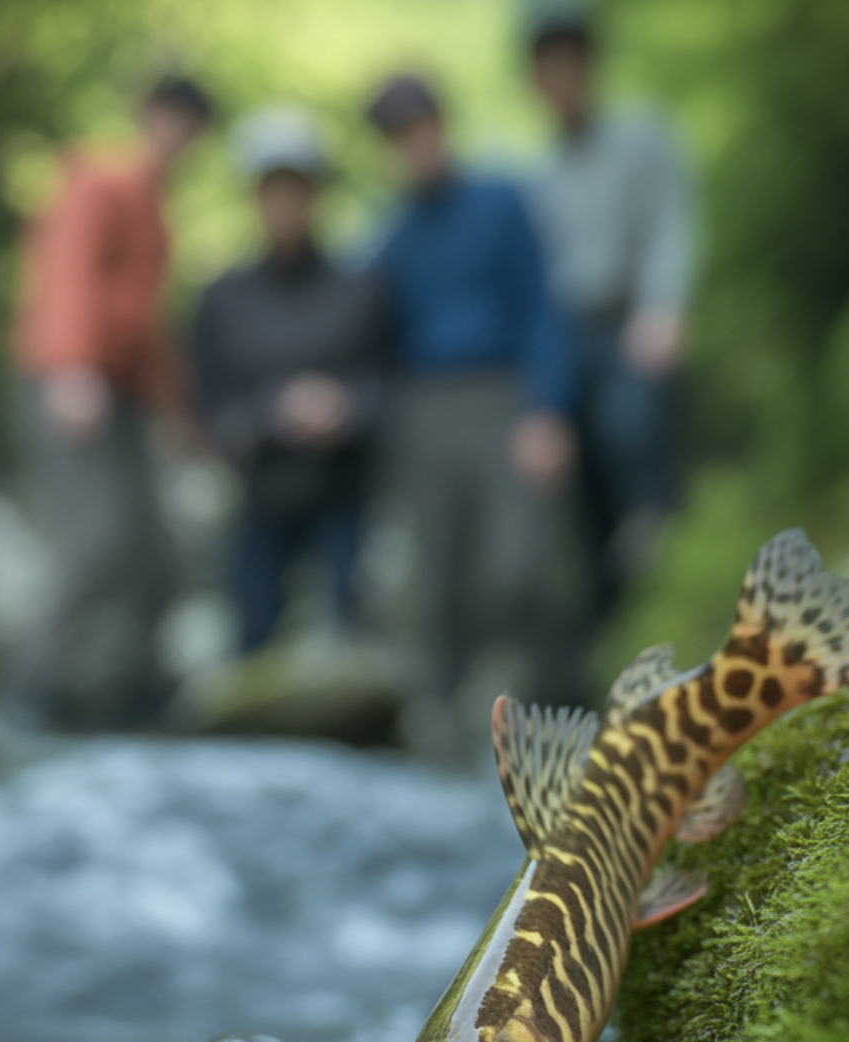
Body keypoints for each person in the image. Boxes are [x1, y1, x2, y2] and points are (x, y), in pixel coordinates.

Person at [365, 74, 575, 757]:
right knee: (438, 575)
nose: (411, 146)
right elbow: (366, 341)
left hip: (502, 394)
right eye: (395, 137)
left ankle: (555, 709)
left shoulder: (501, 201)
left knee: (516, 567)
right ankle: (445, 731)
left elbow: (541, 306)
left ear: (440, 125)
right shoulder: (386, 239)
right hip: (421, 408)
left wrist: (546, 408)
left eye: (418, 128)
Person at [9, 74, 213, 727]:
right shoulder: (99, 179)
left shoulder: (158, 213)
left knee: (159, 548)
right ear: (146, 115)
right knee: (96, 537)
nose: (178, 135)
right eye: (170, 118)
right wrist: (72, 368)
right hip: (70, 381)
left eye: (191, 125)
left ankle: (138, 684)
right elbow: (66, 274)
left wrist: (179, 415)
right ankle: (36, 685)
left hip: (123, 397)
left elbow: (147, 330)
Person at [191, 107, 390, 654]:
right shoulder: (223, 298)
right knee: (250, 640)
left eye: (296, 190)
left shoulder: (360, 287)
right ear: (253, 198)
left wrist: (344, 409)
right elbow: (211, 407)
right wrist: (272, 412)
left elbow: (389, 386)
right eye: (271, 191)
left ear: (316, 195)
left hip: (343, 494)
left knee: (346, 640)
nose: (284, 206)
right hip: (262, 497)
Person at [525, 2, 697, 626]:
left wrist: (665, 307)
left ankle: (664, 574)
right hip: (565, 337)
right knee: (582, 492)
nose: (562, 74)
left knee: (637, 445)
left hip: (630, 319)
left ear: (591, 64)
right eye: (549, 64)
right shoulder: (534, 171)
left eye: (572, 59)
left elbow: (670, 228)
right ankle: (611, 619)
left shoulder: (644, 137)